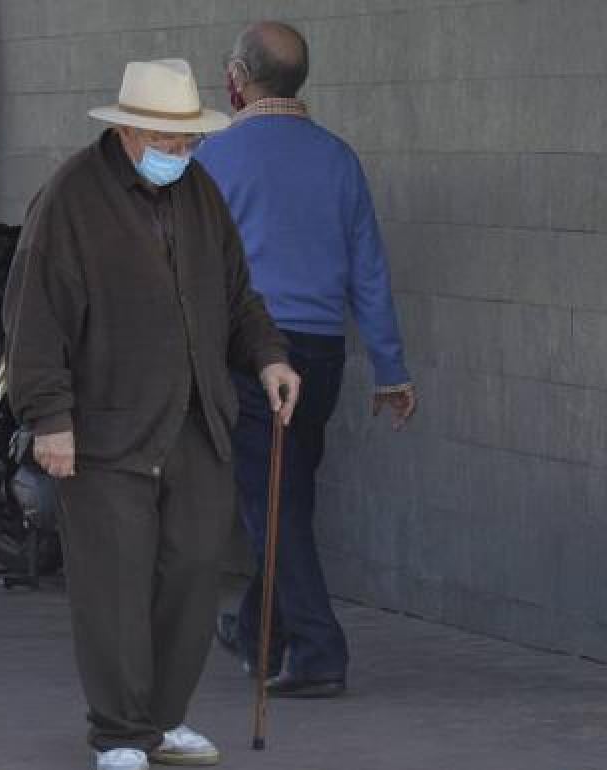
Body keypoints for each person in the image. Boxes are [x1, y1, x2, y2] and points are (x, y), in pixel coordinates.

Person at [3, 58, 301, 770]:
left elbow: (237, 295)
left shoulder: (199, 191)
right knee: (113, 586)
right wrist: (49, 418)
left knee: (195, 571)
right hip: (105, 426)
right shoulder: (72, 196)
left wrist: (269, 357)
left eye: (190, 140)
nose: (184, 153)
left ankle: (161, 720)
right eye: (171, 142)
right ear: (132, 130)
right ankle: (118, 732)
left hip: (195, 420)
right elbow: (34, 314)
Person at [194, 21, 417, 699]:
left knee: (272, 509)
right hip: (320, 358)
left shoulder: (214, 159)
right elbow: (368, 274)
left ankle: (317, 649)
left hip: (255, 356)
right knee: (287, 498)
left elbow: (195, 271)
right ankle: (259, 626)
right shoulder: (339, 158)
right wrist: (391, 368)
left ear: (237, 76)